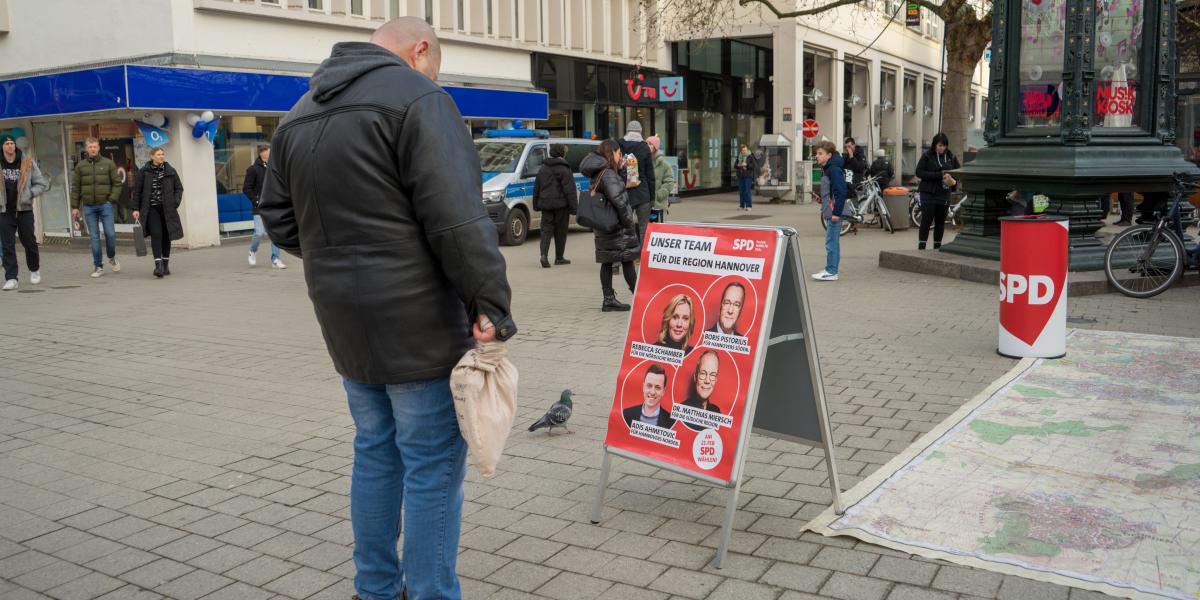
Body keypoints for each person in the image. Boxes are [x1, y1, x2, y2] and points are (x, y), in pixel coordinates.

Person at [258, 18, 516, 600]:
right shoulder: (421, 99)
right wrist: (490, 303)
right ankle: (428, 592)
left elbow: (277, 219)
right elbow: (457, 217)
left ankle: (375, 589)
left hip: (344, 321)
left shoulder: (299, 112)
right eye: (435, 64)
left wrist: (336, 254)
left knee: (375, 452)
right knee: (430, 466)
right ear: (420, 49)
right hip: (418, 320)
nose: (432, 74)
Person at [580, 140, 640, 312]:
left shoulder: (601, 172)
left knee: (607, 261)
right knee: (627, 259)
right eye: (619, 153)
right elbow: (619, 200)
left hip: (605, 224)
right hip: (617, 226)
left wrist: (620, 170)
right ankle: (638, 296)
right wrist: (628, 221)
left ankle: (608, 299)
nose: (620, 156)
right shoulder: (608, 174)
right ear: (611, 152)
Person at [70, 137, 122, 277]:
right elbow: (76, 188)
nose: (92, 149)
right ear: (86, 149)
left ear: (99, 148)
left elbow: (117, 183)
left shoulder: (108, 163)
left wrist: (111, 200)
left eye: (95, 146)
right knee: (94, 237)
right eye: (90, 147)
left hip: (105, 205)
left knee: (110, 234)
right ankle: (98, 266)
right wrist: (75, 206)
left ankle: (111, 257)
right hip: (89, 207)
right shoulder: (80, 166)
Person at [1, 134, 47, 291]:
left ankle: (34, 269)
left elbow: (41, 183)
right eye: (6, 143)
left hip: (24, 209)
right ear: (2, 146)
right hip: (5, 210)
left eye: (11, 143)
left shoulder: (27, 162)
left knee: (29, 241)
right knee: (7, 244)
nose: (10, 146)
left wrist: (29, 194)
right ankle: (11, 277)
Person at [131, 148, 184, 278]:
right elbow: (137, 191)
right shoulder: (144, 172)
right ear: (152, 157)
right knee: (156, 234)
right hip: (151, 209)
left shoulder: (170, 171)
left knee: (166, 235)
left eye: (162, 154)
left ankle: (165, 265)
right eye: (159, 154)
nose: (161, 156)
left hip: (167, 208)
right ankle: (158, 265)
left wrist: (175, 202)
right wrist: (135, 209)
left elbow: (179, 188)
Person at [532, 143, 576, 268]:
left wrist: (536, 205)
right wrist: (574, 208)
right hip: (562, 206)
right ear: (562, 153)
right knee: (560, 232)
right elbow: (570, 190)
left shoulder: (543, 168)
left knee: (546, 231)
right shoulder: (565, 169)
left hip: (546, 205)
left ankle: (544, 255)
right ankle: (559, 257)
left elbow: (537, 188)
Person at [915, 132, 961, 250]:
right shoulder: (927, 156)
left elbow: (958, 171)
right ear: (934, 145)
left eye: (944, 145)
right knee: (927, 219)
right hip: (928, 193)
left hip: (944, 193)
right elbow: (919, 172)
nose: (942, 148)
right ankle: (922, 245)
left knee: (940, 221)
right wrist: (938, 175)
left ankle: (937, 246)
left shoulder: (951, 156)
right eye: (939, 145)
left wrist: (953, 180)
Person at [243, 144, 286, 269]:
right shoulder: (253, 169)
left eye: (270, 151)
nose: (270, 153)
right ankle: (252, 250)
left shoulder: (275, 168)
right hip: (259, 207)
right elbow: (246, 188)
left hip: (274, 205)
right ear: (262, 153)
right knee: (260, 233)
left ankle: (276, 259)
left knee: (275, 233)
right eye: (268, 151)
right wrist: (256, 200)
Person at [813, 140, 847, 282]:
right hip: (831, 209)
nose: (817, 156)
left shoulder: (833, 169)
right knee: (833, 241)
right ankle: (831, 269)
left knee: (831, 242)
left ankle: (831, 271)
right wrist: (822, 198)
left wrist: (836, 213)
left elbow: (840, 191)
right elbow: (832, 191)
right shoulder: (829, 168)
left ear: (829, 155)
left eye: (820, 153)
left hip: (834, 212)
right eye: (817, 153)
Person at [617, 121, 655, 243]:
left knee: (623, 227)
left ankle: (624, 256)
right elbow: (650, 175)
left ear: (627, 131)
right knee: (644, 227)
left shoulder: (618, 145)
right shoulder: (644, 147)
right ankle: (642, 258)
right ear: (640, 132)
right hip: (642, 193)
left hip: (623, 193)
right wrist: (652, 197)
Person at [622, 364, 675, 429]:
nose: (652, 392)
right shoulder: (626, 414)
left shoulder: (672, 422)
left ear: (663, 391)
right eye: (649, 386)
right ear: (643, 387)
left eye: (657, 387)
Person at [680, 350, 722, 417]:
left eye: (712, 375)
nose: (707, 381)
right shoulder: (681, 409)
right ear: (695, 377)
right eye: (703, 373)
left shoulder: (716, 412)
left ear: (716, 379)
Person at [646, 135, 674, 224]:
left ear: (655, 147)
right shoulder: (643, 162)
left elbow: (669, 182)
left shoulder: (664, 165)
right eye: (646, 143)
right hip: (644, 204)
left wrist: (658, 195)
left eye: (650, 144)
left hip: (658, 204)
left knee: (657, 230)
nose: (647, 146)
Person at [734, 143, 759, 211]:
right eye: (743, 150)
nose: (744, 151)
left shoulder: (750, 156)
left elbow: (754, 166)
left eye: (745, 150)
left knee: (747, 191)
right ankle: (742, 205)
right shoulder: (739, 157)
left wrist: (746, 165)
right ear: (741, 151)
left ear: (747, 150)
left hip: (748, 176)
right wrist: (738, 165)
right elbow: (735, 166)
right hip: (740, 176)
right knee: (741, 191)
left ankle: (749, 206)